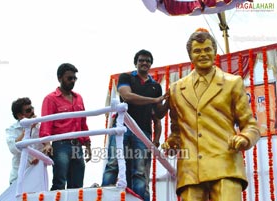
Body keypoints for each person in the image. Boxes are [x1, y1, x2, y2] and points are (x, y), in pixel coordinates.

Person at [161, 28, 261, 201]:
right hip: (190, 171)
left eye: (207, 49)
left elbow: (250, 125)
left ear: (215, 52)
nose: (203, 54)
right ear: (190, 56)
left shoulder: (232, 83)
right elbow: (177, 130)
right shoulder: (176, 89)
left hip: (225, 164)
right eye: (197, 51)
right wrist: (171, 143)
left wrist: (245, 137)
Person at [102, 49, 166, 201]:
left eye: (147, 60)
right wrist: (154, 100)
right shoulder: (126, 77)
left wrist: (169, 100)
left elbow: (158, 115)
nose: (144, 63)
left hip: (143, 132)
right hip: (122, 128)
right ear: (136, 63)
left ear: (151, 64)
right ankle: (104, 196)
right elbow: (127, 96)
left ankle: (139, 199)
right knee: (113, 163)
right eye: (141, 60)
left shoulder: (156, 87)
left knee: (139, 170)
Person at [39, 63, 92, 190]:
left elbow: (83, 122)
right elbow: (46, 123)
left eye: (75, 78)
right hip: (61, 145)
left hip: (77, 146)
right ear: (59, 78)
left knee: (77, 185)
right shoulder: (50, 99)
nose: (73, 81)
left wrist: (88, 144)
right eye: (69, 78)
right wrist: (46, 143)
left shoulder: (78, 98)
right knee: (59, 182)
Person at [6, 97, 42, 185]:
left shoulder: (39, 127)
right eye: (28, 110)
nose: (32, 112)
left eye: (32, 108)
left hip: (37, 178)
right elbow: (13, 148)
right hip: (18, 178)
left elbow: (45, 147)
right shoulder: (11, 129)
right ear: (19, 115)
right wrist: (28, 128)